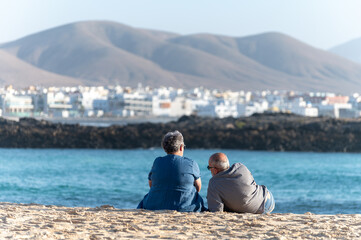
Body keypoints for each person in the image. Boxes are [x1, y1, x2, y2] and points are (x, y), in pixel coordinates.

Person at [137, 130, 206, 212]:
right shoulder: (191, 163)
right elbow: (198, 187)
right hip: (185, 207)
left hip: (154, 206)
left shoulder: (157, 162)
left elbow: (151, 184)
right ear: (181, 147)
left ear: (164, 147)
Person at [207, 152, 275, 214]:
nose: (210, 170)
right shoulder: (240, 167)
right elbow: (252, 184)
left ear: (214, 170)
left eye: (209, 167)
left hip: (255, 210)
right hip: (268, 201)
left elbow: (217, 211)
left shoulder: (214, 183)